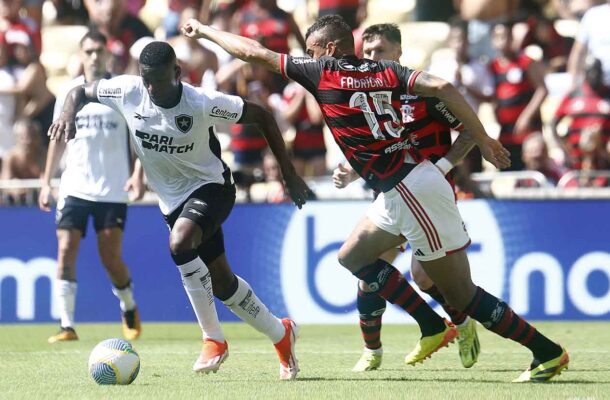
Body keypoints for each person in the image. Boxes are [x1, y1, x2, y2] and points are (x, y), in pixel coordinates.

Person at [182, 14, 569, 382]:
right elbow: (445, 88)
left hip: (412, 190)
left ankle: (546, 351)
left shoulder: (324, 72)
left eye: (312, 51)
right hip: (398, 188)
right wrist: (482, 138)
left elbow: (253, 52)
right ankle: (432, 325)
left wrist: (205, 30)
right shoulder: (389, 72)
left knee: (461, 295)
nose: (308, 58)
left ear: (330, 49)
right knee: (353, 255)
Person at [49, 40, 311, 380]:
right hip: (171, 201)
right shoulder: (128, 91)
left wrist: (289, 175)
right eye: (146, 79)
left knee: (180, 243)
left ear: (177, 73)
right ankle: (281, 334)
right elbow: (79, 93)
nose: (151, 88)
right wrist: (68, 114)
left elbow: (261, 115)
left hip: (212, 188)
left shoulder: (202, 102)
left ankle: (213, 340)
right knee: (222, 283)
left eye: (158, 79)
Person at [335, 22, 479, 372]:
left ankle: (461, 324)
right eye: (367, 52)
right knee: (368, 269)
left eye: (380, 51)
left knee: (426, 277)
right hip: (391, 195)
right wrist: (352, 171)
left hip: (429, 195)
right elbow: (376, 148)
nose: (372, 58)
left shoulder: (423, 91)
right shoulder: (368, 97)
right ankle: (373, 350)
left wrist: (442, 167)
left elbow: (470, 130)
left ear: (398, 53)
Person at [39, 30, 145, 343]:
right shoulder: (69, 91)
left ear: (109, 54)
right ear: (81, 55)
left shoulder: (121, 91)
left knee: (110, 257)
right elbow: (57, 138)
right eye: (89, 51)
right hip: (74, 185)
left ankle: (128, 306)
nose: (94, 56)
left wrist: (138, 174)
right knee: (65, 249)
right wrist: (46, 182)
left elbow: (139, 138)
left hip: (112, 187)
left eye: (100, 50)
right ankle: (66, 325)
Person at [488, 20, 548, 171]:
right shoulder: (492, 67)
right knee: (508, 170)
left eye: (507, 37)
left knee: (531, 170)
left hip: (528, 132)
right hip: (507, 132)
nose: (503, 41)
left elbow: (542, 90)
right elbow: (493, 96)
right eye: (498, 37)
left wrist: (526, 117)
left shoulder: (525, 62)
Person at [1, 118, 44, 205]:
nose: (28, 141)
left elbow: (46, 179)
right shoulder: (11, 157)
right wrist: (15, 187)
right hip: (14, 206)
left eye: (32, 136)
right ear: (16, 138)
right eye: (23, 137)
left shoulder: (43, 155)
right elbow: (5, 183)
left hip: (40, 203)